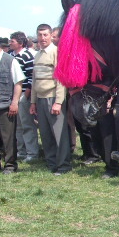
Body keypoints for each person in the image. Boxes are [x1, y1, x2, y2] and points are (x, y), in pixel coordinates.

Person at [29, 24, 72, 175]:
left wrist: (58, 102)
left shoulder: (56, 52)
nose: (42, 38)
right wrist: (33, 102)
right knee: (46, 134)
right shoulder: (38, 54)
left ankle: (63, 166)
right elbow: (34, 80)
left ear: (50, 36)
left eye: (45, 35)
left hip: (53, 98)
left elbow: (61, 79)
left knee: (59, 134)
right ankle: (52, 163)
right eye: (40, 35)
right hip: (40, 99)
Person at [0, 30, 26, 173]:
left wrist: (14, 102)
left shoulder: (10, 60)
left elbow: (18, 83)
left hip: (3, 105)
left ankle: (10, 165)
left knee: (7, 137)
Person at [8, 31, 39, 162]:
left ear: (20, 43)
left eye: (12, 41)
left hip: (23, 95)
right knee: (17, 126)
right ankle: (21, 151)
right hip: (13, 95)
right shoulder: (9, 56)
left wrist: (25, 96)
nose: (10, 43)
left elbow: (31, 77)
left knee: (27, 125)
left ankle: (32, 153)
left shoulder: (27, 56)